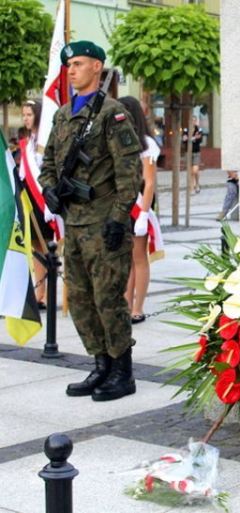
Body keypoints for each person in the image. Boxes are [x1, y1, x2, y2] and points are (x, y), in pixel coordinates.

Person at [38, 41, 143, 402]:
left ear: (97, 67)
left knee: (108, 298)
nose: (71, 71)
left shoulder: (112, 113)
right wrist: (50, 189)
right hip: (76, 223)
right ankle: (100, 365)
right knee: (81, 299)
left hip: (104, 221)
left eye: (79, 64)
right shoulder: (63, 114)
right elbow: (49, 162)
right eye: (69, 65)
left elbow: (130, 172)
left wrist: (118, 219)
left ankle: (121, 371)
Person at [118, 96, 160, 324]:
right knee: (125, 259)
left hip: (139, 206)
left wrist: (143, 213)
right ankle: (125, 304)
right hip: (122, 206)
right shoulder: (120, 139)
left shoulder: (146, 143)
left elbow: (150, 182)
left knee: (138, 258)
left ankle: (138, 307)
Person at [18, 99, 55, 310]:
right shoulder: (26, 141)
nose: (25, 119)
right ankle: (39, 292)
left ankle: (47, 293)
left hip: (44, 201)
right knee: (35, 248)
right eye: (23, 115)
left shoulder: (44, 141)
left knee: (48, 247)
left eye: (29, 115)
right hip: (30, 200)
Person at [182, 116, 203, 193]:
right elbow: (184, 139)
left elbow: (200, 139)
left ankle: (197, 183)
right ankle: (192, 188)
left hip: (196, 152)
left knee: (195, 170)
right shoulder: (186, 130)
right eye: (191, 120)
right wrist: (194, 138)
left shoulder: (199, 129)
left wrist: (190, 138)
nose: (193, 122)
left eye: (194, 120)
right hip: (188, 152)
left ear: (196, 121)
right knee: (190, 171)